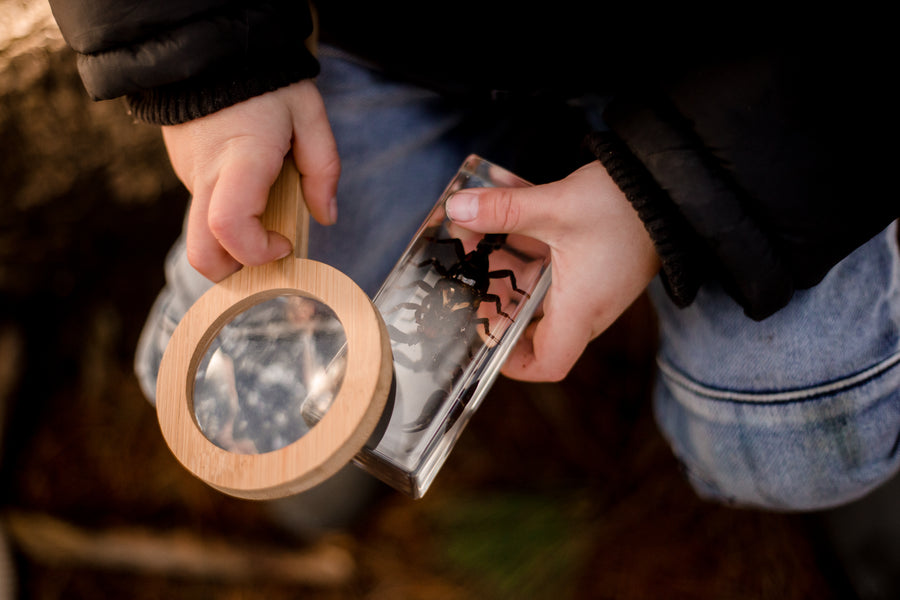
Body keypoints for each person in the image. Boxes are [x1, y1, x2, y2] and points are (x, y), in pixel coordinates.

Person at [48, 0, 900, 511]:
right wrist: (208, 63)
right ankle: (328, 486)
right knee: (195, 372)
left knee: (794, 444)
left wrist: (670, 203)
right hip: (405, 44)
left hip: (763, 92)